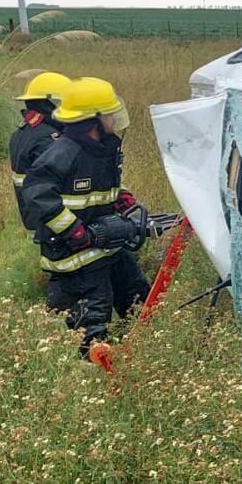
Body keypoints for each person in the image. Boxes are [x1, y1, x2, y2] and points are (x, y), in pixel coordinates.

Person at [21, 77, 151, 355]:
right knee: (92, 317)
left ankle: (137, 354)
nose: (114, 120)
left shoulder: (102, 149)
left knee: (138, 296)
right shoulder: (63, 152)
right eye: (109, 115)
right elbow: (36, 193)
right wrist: (74, 231)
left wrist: (121, 197)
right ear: (92, 120)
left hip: (106, 249)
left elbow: (100, 187)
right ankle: (93, 367)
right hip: (77, 258)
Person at [8, 71, 70, 223]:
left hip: (34, 217)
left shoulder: (22, 132)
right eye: (63, 103)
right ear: (49, 104)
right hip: (53, 222)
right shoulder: (48, 139)